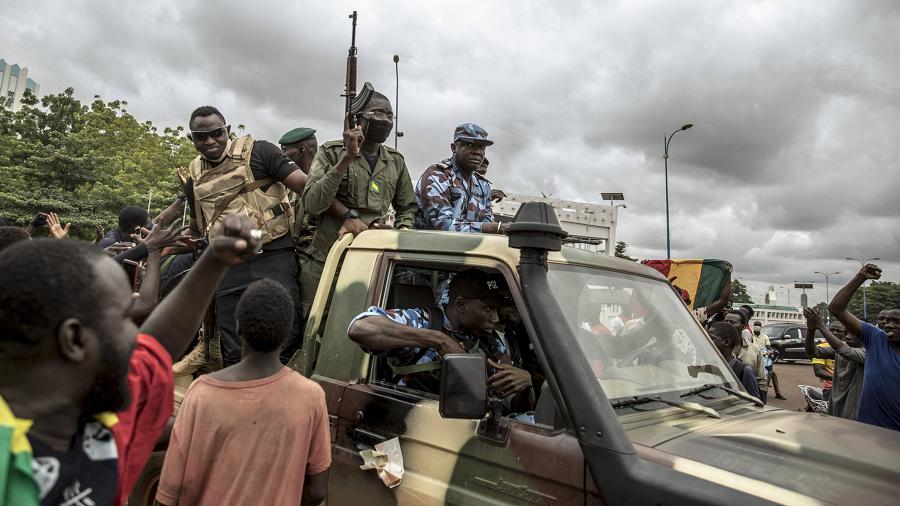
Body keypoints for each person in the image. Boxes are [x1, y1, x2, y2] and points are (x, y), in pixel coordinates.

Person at [0, 214, 262, 505]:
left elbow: (159, 343)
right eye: (125, 318)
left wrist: (216, 258)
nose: (136, 335)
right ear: (74, 340)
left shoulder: (89, 419)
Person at [156, 279, 330, 506]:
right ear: (288, 331)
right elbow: (317, 492)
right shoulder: (311, 396)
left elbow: (170, 491)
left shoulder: (203, 393)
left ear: (237, 326)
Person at [186, 105, 308, 367]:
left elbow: (306, 188)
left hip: (274, 255)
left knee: (284, 338)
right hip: (230, 264)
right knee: (233, 346)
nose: (209, 141)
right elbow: (197, 224)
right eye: (200, 136)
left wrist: (347, 216)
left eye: (216, 133)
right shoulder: (194, 174)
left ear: (227, 130)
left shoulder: (260, 151)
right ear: (192, 139)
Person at [300, 84, 417, 316]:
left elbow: (408, 208)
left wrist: (398, 235)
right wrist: (347, 157)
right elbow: (312, 203)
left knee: (361, 327)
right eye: (377, 114)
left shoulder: (395, 161)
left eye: (389, 115)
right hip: (328, 262)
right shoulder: (331, 152)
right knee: (315, 329)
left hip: (370, 265)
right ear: (358, 119)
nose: (385, 120)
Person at [347, 269, 534, 411]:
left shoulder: (489, 341)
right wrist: (439, 340)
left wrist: (526, 383)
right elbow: (360, 328)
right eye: (488, 309)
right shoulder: (425, 321)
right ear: (461, 304)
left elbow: (512, 405)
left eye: (496, 310)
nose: (495, 318)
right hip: (411, 421)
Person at [828, 263, 900, 431]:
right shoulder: (876, 338)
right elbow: (836, 308)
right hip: (867, 429)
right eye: (887, 321)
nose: (889, 325)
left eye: (896, 322)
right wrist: (860, 277)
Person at [415, 123, 507, 233]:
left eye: (481, 147)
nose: (477, 152)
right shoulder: (437, 176)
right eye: (469, 145)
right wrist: (495, 228)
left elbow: (487, 222)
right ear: (454, 148)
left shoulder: (483, 185)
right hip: (428, 247)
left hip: (466, 248)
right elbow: (441, 225)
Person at [803, 308, 865, 420]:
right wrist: (811, 329)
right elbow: (811, 351)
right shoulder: (839, 349)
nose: (847, 337)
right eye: (846, 333)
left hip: (855, 403)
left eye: (853, 334)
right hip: (836, 399)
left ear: (864, 335)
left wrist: (821, 326)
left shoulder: (867, 352)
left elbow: (846, 352)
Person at [279, 127, 319, 249]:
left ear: (301, 150)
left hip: (315, 258)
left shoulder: (323, 182)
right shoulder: (287, 183)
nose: (281, 155)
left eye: (284, 150)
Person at [708, 322, 761, 399]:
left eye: (712, 338)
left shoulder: (744, 371)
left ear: (727, 342)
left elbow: (754, 402)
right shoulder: (707, 364)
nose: (707, 342)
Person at [724, 310, 767, 401]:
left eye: (732, 322)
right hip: (722, 399)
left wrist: (763, 404)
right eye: (726, 321)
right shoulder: (717, 348)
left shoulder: (755, 349)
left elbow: (761, 380)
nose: (727, 325)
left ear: (743, 326)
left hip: (747, 402)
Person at [753, 321, 786, 400]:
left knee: (771, 373)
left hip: (764, 358)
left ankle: (777, 393)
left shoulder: (765, 337)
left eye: (758, 325)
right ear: (753, 326)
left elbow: (769, 347)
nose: (757, 327)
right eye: (756, 325)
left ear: (761, 327)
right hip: (754, 357)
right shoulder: (751, 336)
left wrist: (771, 352)